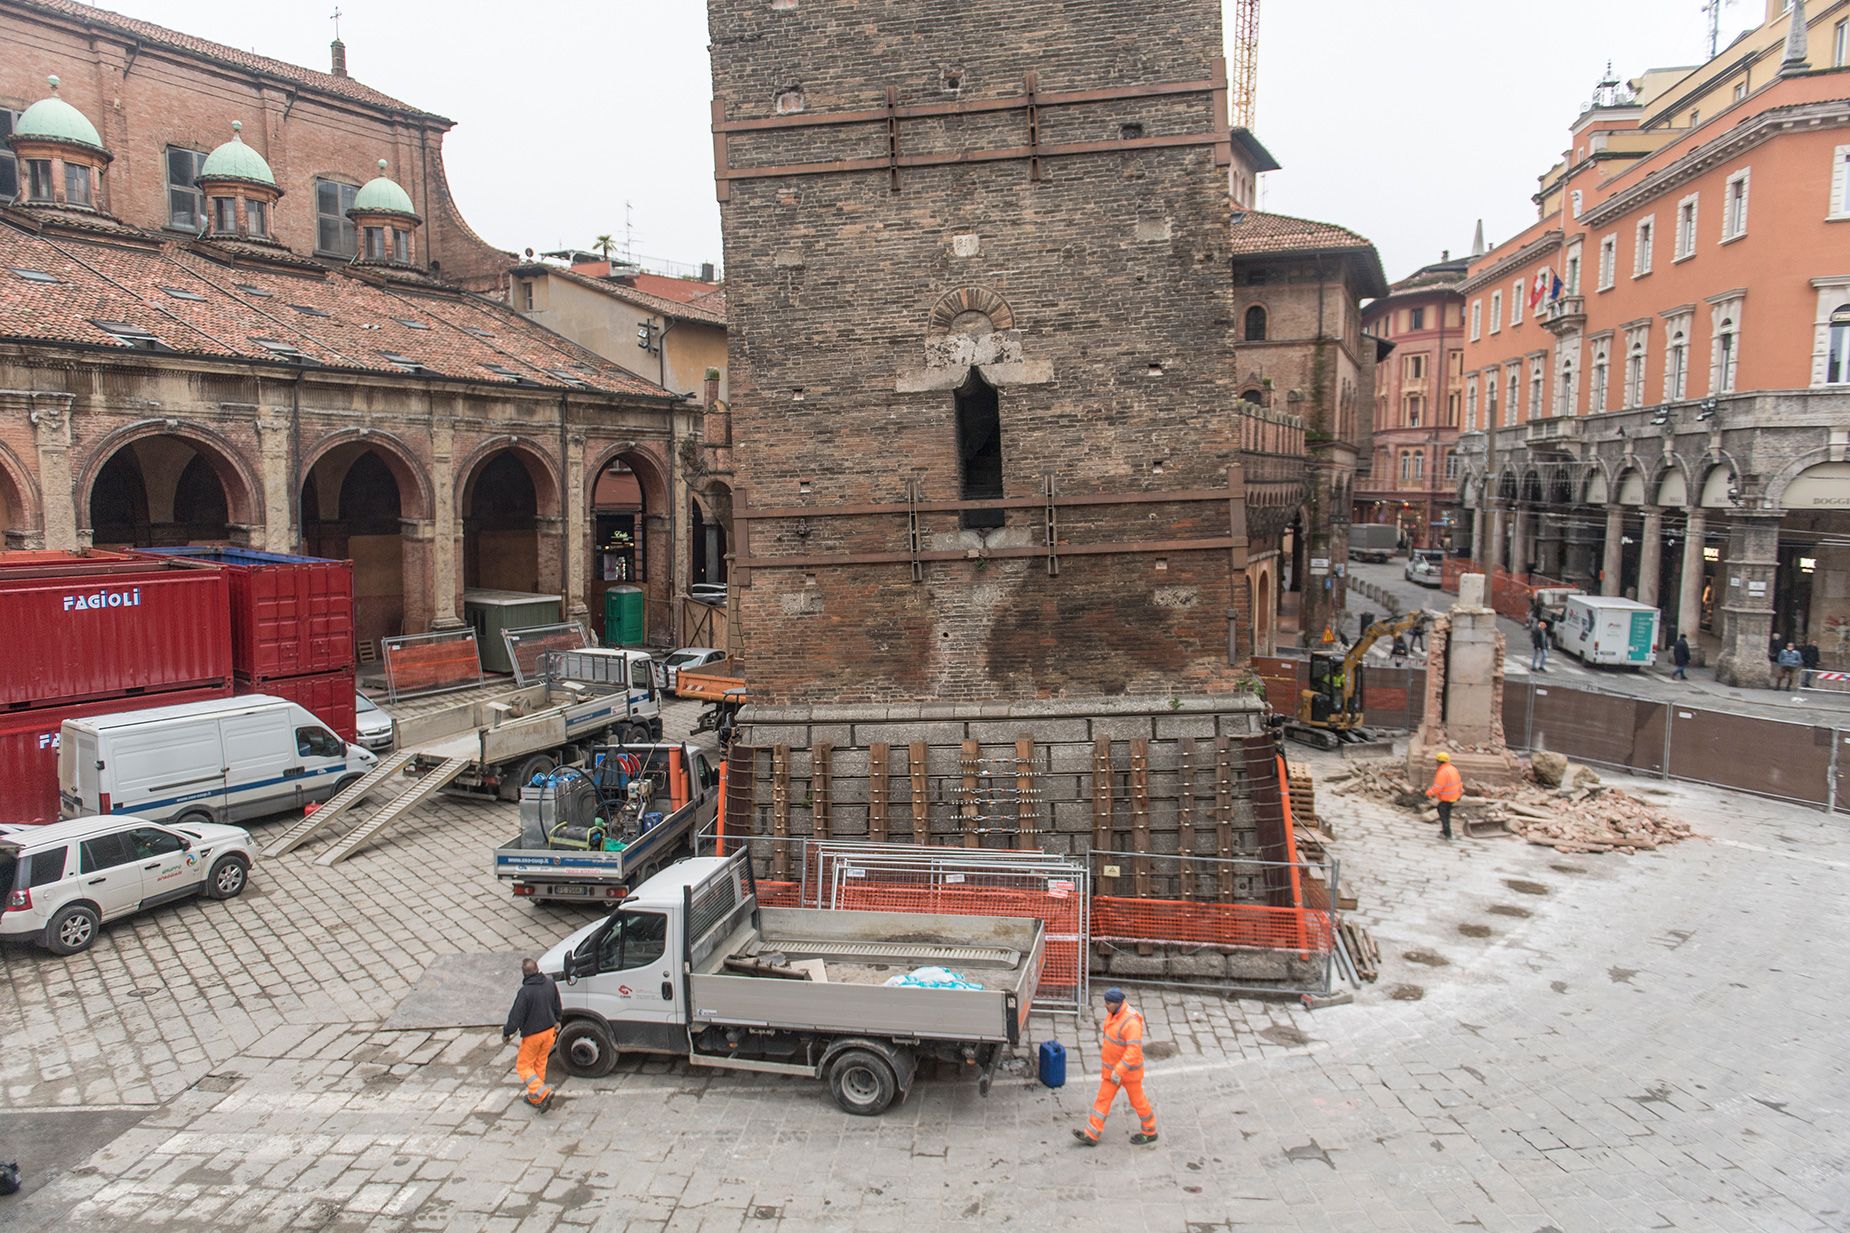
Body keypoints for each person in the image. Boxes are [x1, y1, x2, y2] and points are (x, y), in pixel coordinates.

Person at [1073, 987, 1157, 1147]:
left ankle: (1150, 1131)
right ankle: (1091, 1134)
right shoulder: (1115, 1015)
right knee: (1102, 1100)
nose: (1105, 1006)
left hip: (1127, 1073)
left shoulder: (1131, 1023)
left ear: (1117, 1003)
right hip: (1112, 1072)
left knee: (1138, 1102)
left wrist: (1119, 1070)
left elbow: (1133, 1050)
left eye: (1108, 1003)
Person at [503, 958, 563, 1111]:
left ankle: (543, 1092)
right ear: (538, 969)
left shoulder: (525, 992)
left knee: (523, 1066)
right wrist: (558, 1020)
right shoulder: (550, 983)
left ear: (524, 974)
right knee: (540, 1063)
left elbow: (516, 1017)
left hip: (533, 1035)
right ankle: (534, 1097)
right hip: (550, 1031)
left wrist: (507, 1032)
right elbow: (558, 1005)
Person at [1426, 751, 1463, 841]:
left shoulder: (1442, 772)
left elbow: (1438, 787)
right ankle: (1445, 830)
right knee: (1444, 812)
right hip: (1454, 796)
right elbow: (1459, 783)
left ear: (1439, 762)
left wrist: (1428, 793)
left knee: (1444, 814)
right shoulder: (1453, 769)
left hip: (1447, 797)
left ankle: (1447, 833)